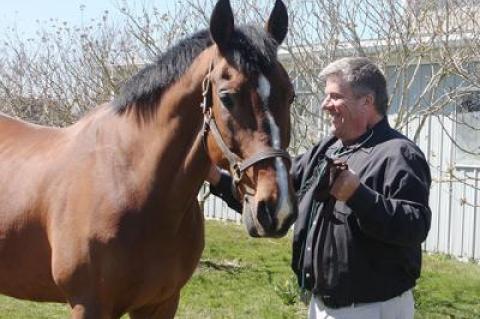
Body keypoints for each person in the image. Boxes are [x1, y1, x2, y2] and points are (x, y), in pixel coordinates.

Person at [207, 57, 431, 319]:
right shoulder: (327, 149)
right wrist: (216, 178)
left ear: (366, 101)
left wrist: (359, 196)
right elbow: (275, 196)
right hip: (322, 306)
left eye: (335, 97)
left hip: (372, 309)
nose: (325, 105)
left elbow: (415, 226)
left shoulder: (398, 154)